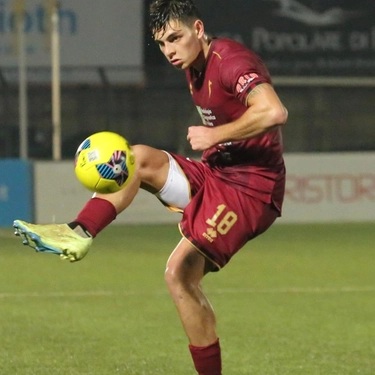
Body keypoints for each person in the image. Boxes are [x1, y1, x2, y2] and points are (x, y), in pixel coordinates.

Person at [13, 1, 288, 374]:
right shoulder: (194, 65)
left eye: (175, 38)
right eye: (162, 44)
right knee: (137, 158)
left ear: (199, 29)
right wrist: (215, 144)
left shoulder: (232, 62)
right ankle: (78, 232)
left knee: (179, 274)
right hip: (217, 175)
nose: (169, 51)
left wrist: (215, 134)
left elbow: (273, 112)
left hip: (251, 191)